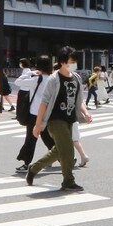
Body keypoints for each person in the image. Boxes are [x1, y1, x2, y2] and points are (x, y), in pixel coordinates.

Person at [26, 47, 92, 192]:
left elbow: (79, 99)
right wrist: (38, 125)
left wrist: (86, 113)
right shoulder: (53, 79)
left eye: (75, 61)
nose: (74, 64)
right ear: (62, 62)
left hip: (70, 119)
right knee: (68, 149)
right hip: (55, 120)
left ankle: (34, 168)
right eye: (71, 61)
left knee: (59, 150)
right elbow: (44, 103)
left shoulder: (76, 78)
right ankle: (68, 181)